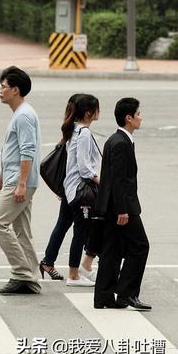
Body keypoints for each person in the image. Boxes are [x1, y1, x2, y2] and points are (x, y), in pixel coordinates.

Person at [0, 66, 41, 295]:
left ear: (15, 90)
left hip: (21, 182)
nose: (0, 90)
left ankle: (22, 273)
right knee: (21, 230)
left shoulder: (25, 115)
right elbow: (12, 152)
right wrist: (0, 180)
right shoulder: (20, 114)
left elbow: (27, 151)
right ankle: (30, 275)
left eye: (3, 86)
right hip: (15, 179)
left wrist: (20, 184)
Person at [94, 98, 150, 310]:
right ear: (129, 118)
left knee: (113, 250)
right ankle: (127, 293)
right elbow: (118, 179)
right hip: (122, 206)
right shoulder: (120, 143)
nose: (141, 117)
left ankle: (104, 296)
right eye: (138, 113)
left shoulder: (117, 140)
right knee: (140, 246)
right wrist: (122, 210)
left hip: (113, 205)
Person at [40, 94, 101, 285]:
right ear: (90, 113)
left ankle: (48, 262)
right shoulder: (83, 133)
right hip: (79, 190)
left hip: (70, 188)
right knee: (81, 232)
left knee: (62, 224)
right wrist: (100, 180)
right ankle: (74, 275)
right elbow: (84, 168)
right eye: (98, 108)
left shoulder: (73, 130)